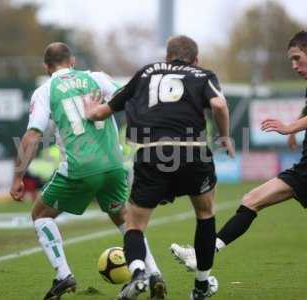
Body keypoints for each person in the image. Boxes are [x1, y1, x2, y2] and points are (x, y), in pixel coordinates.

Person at [9, 42, 163, 300]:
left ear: (46, 67)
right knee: (126, 220)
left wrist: (17, 177)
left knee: (40, 214)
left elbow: (33, 135)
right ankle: (154, 273)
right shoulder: (97, 78)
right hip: (114, 165)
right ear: (73, 61)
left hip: (80, 168)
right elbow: (130, 101)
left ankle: (63, 275)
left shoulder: (45, 91)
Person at [84, 35, 233, 300]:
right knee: (205, 213)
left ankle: (140, 272)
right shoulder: (201, 74)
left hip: (151, 154)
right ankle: (200, 286)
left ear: (167, 57)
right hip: (192, 151)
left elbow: (102, 113)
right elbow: (219, 104)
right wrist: (225, 136)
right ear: (195, 60)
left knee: (134, 224)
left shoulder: (145, 73)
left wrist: (90, 110)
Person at [171, 30, 307, 274]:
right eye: (291, 61)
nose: (294, 65)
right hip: (304, 170)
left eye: (297, 58)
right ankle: (203, 254)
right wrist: (297, 128)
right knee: (251, 201)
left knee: (252, 200)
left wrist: (290, 127)